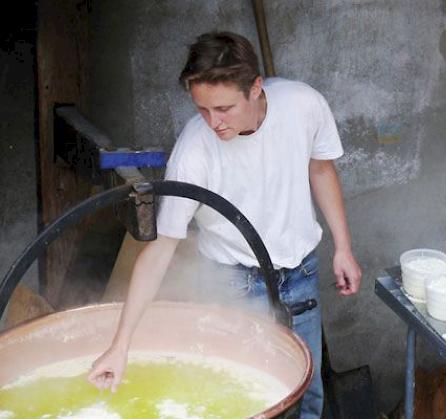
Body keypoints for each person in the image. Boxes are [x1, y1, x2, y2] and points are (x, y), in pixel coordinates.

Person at [88, 31, 362, 418]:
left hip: (301, 272)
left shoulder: (303, 105)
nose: (214, 123)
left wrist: (343, 247)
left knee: (307, 391)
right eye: (202, 110)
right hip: (233, 282)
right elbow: (161, 249)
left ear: (255, 87)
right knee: (250, 397)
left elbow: (320, 169)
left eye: (224, 108)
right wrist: (120, 344)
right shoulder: (194, 153)